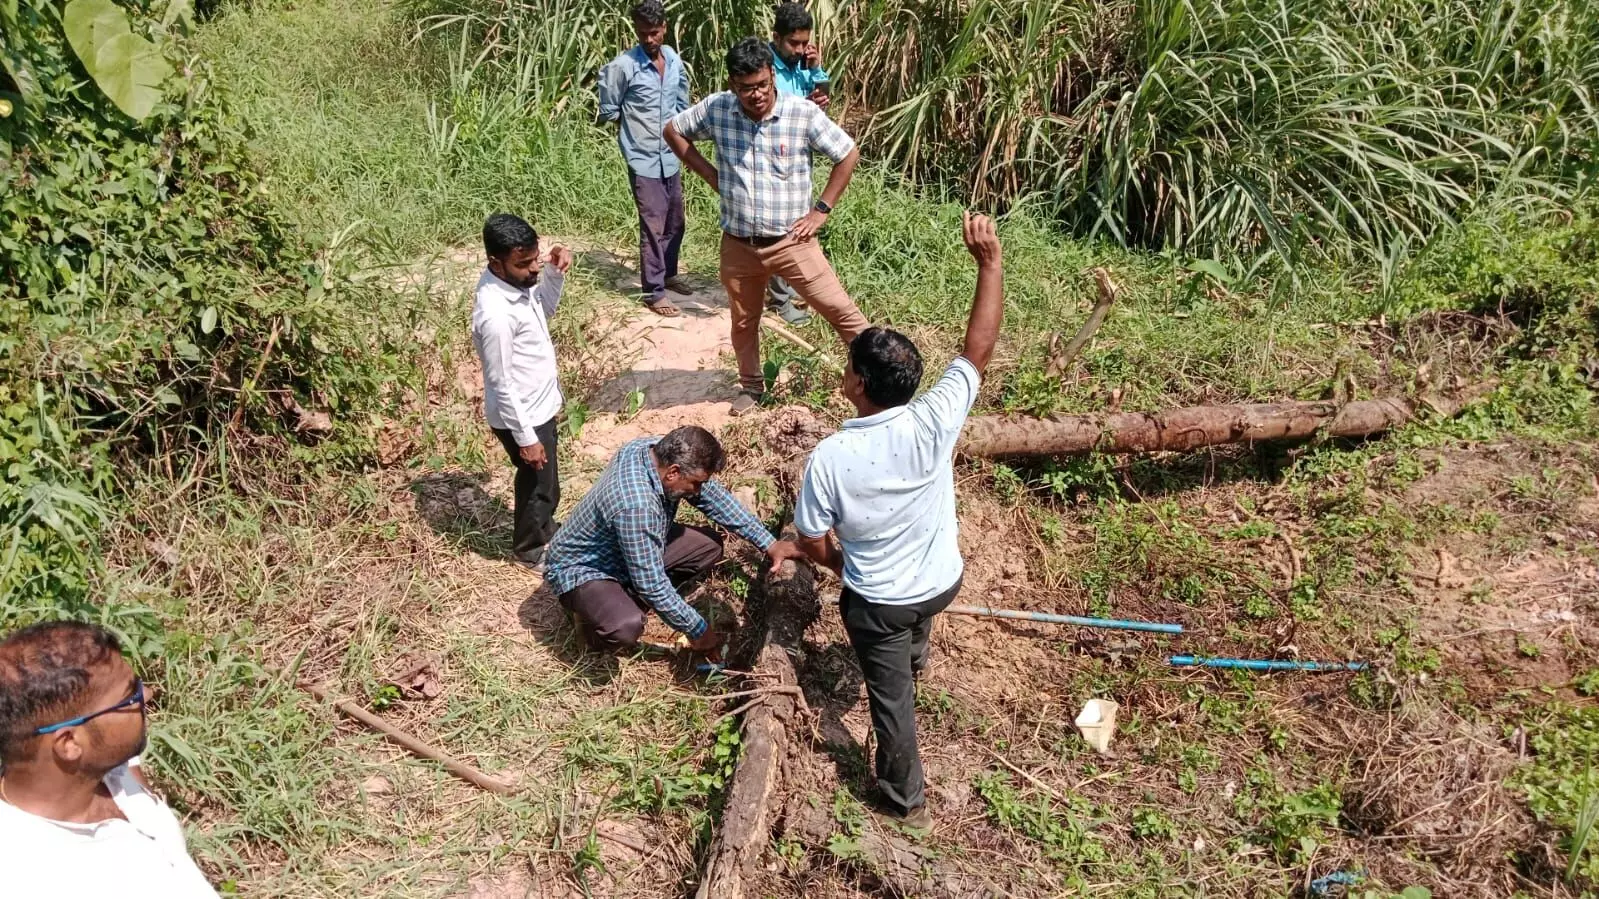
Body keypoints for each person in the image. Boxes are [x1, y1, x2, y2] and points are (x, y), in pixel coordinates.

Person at [792, 212, 1005, 832]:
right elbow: (977, 349)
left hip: (881, 602)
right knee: (910, 622)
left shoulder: (831, 457)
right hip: (942, 582)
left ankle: (903, 802)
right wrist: (989, 264)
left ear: (857, 382)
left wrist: (840, 563)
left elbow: (809, 539)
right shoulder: (934, 418)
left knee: (892, 706)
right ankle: (915, 655)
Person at [664, 37, 870, 416]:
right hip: (739, 243)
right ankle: (752, 387)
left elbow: (847, 152)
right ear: (732, 84)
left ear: (772, 76)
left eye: (761, 85)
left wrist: (821, 210)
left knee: (844, 313)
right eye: (745, 88)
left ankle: (876, 383)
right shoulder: (718, 108)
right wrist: (713, 175)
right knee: (744, 321)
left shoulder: (800, 114)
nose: (755, 95)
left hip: (792, 242)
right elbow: (673, 130)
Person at [0, 621, 220, 898]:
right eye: (129, 698)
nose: (148, 695)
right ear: (69, 745)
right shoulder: (32, 878)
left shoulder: (105, 765)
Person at [543, 426, 805, 654]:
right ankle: (591, 627)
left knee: (708, 546)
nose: (699, 491)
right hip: (583, 569)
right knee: (625, 626)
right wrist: (697, 629)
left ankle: (624, 596)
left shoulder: (653, 450)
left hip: (625, 547)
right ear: (673, 473)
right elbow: (652, 583)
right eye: (696, 483)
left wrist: (769, 543)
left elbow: (714, 497)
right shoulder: (637, 506)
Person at [472, 213, 574, 571]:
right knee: (538, 486)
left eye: (536, 259)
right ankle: (530, 549)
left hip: (539, 407)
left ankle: (546, 530)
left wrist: (554, 274)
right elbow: (500, 384)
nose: (534, 268)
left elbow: (544, 310)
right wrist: (526, 438)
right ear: (496, 263)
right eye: (524, 264)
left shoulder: (518, 284)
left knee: (546, 483)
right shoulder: (496, 316)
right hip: (524, 416)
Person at [598, 0, 694, 316]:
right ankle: (653, 292)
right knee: (652, 224)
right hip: (642, 158)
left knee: (675, 220)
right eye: (643, 34)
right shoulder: (624, 66)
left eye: (654, 33)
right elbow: (610, 108)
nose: (649, 39)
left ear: (664, 28)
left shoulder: (675, 63)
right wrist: (634, 134)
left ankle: (668, 273)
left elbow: (681, 105)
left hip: (671, 155)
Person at [762, 0, 835, 326]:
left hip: (797, 155)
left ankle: (784, 290)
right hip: (771, 154)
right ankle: (779, 300)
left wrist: (816, 74)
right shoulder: (766, 66)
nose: (800, 49)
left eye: (805, 43)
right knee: (780, 228)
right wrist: (801, 106)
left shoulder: (798, 65)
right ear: (776, 37)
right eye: (794, 43)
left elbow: (818, 94)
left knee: (795, 224)